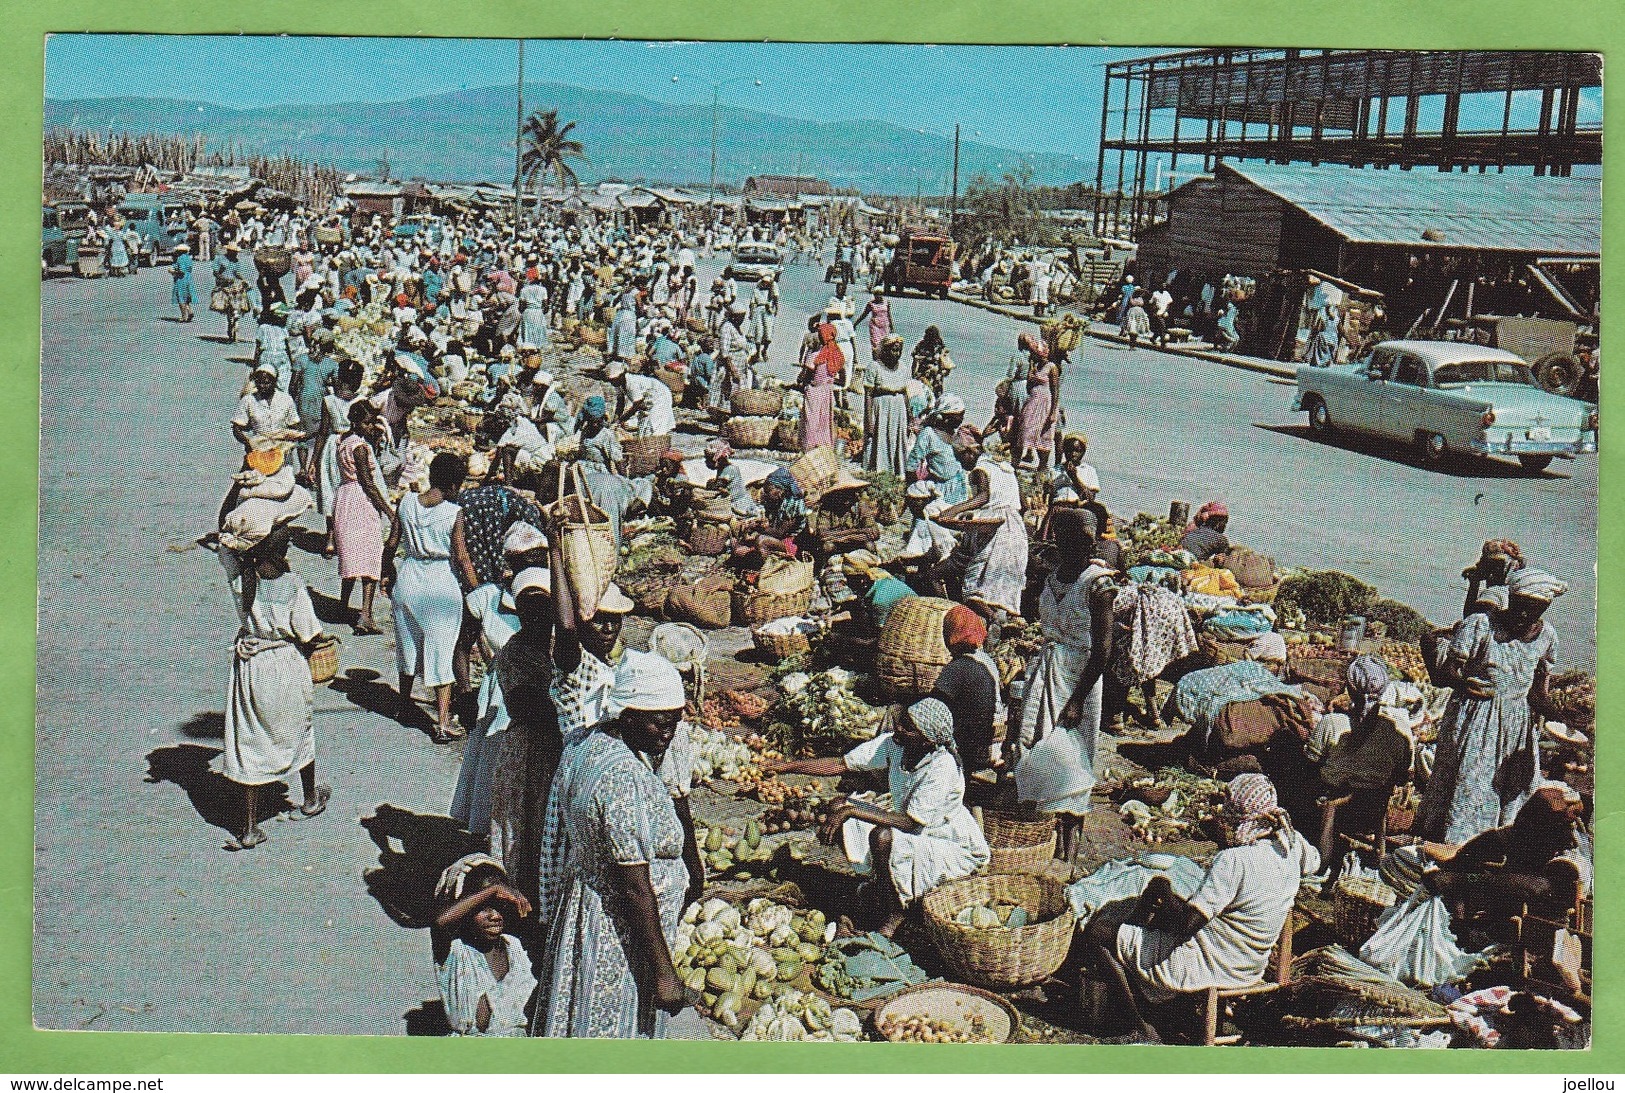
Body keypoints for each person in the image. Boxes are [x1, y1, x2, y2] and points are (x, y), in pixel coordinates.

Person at [1080, 773, 1319, 1043]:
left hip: (1209, 964)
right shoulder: (1293, 846)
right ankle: (1159, 1002)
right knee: (1156, 911)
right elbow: (1315, 862)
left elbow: (1186, 926)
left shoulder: (1235, 861)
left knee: (1099, 929)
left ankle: (1142, 1024)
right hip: (1250, 964)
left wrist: (1165, 893)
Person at [532, 655, 695, 1038]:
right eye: (660, 722)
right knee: (612, 1025)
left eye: (674, 722)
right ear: (629, 714)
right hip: (618, 929)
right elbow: (635, 887)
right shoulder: (622, 776)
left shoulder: (588, 743)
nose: (668, 733)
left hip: (588, 906)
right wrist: (663, 972)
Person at [767, 697, 989, 938]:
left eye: (908, 728)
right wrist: (786, 767)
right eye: (902, 721)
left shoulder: (942, 767)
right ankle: (881, 887)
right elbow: (842, 764)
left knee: (881, 836)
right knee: (837, 805)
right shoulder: (896, 745)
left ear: (927, 740)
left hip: (947, 843)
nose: (899, 729)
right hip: (909, 831)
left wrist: (853, 810)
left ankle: (896, 913)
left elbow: (910, 822)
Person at [1415, 568, 1565, 845]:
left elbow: (1537, 694)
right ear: (1510, 598)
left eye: (1533, 610)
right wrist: (1464, 685)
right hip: (1476, 718)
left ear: (1545, 607)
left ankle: (1491, 849)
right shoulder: (1481, 624)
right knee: (1469, 786)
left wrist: (1565, 720)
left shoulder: (1547, 637)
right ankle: (1451, 848)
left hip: (1516, 725)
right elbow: (1445, 672)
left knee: (1511, 790)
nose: (1523, 615)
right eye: (1519, 606)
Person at [217, 514, 332, 852]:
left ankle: (250, 828)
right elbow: (309, 632)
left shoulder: (241, 577)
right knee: (301, 730)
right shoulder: (292, 585)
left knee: (249, 742)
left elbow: (224, 539)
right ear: (283, 552)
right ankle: (309, 798)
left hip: (252, 665)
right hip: (285, 664)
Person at [1010, 509, 1113, 859]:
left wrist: (1078, 699)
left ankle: (1068, 846)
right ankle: (1043, 836)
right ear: (1060, 541)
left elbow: (1103, 650)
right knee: (1038, 745)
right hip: (1047, 669)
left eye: (1087, 541)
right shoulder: (1053, 577)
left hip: (1078, 677)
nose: (1082, 548)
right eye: (1072, 541)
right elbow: (1036, 617)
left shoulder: (1099, 584)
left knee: (1074, 758)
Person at [384, 453, 479, 743]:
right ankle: (442, 722)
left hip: (409, 578)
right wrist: (477, 589)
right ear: (452, 485)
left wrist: (386, 573)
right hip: (440, 585)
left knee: (408, 647)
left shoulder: (406, 502)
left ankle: (403, 706)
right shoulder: (453, 512)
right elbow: (461, 557)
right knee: (441, 652)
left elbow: (390, 543)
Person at [484, 569, 563, 907]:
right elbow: (529, 707)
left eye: (544, 606)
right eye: (528, 608)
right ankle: (524, 901)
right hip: (530, 748)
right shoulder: (514, 654)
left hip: (553, 743)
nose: (537, 615)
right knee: (526, 827)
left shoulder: (557, 646)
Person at [434, 858, 537, 1037]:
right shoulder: (455, 951)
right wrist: (493, 891)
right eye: (483, 907)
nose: (495, 916)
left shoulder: (515, 947)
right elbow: (440, 922)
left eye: (499, 907)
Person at [934, 441, 1029, 622]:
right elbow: (1023, 506)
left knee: (973, 589)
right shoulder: (1006, 469)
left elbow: (983, 496)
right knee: (1000, 589)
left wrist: (954, 510)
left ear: (969, 452)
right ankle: (999, 622)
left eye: (960, 457)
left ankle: (993, 620)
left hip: (996, 530)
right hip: (1016, 529)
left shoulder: (981, 468)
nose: (961, 464)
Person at [331, 400, 394, 635]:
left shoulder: (342, 442)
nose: (370, 427)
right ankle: (365, 614)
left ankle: (343, 604)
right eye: (367, 423)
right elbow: (368, 483)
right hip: (360, 502)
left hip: (345, 497)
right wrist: (388, 510)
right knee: (369, 558)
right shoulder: (360, 447)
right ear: (356, 422)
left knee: (350, 556)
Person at [931, 605, 1003, 779]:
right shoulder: (985, 660)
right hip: (993, 741)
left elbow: (933, 706)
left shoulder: (959, 667)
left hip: (972, 748)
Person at [804, 473, 879, 569]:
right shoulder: (827, 508)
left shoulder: (861, 505)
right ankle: (825, 569)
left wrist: (844, 534)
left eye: (849, 492)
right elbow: (823, 535)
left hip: (857, 544)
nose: (847, 497)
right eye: (842, 493)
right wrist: (856, 533)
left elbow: (874, 533)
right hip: (837, 546)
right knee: (827, 546)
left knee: (869, 545)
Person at [863, 334, 911, 478]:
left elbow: (905, 392)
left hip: (898, 409)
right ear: (885, 350)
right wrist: (869, 421)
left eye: (899, 351)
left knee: (896, 441)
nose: (896, 354)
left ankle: (896, 474)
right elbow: (868, 395)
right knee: (880, 441)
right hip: (881, 409)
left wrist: (910, 415)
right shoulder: (874, 367)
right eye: (893, 350)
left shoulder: (903, 367)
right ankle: (878, 473)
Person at [909, 395, 970, 506]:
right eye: (959, 415)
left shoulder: (955, 434)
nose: (962, 419)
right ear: (946, 417)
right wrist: (919, 489)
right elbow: (911, 465)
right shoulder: (928, 434)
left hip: (958, 488)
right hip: (939, 490)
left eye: (963, 415)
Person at [232, 363, 302, 454]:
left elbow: (294, 425)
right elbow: (237, 427)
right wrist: (248, 443)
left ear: (274, 382)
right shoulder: (248, 400)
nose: (262, 386)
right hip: (257, 450)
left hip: (281, 451)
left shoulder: (286, 400)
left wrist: (292, 437)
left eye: (266, 383)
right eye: (259, 382)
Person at [1014, 333, 1059, 471]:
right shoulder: (1035, 366)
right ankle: (1018, 458)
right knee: (1025, 428)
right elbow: (1029, 380)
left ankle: (1042, 466)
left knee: (1044, 434)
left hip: (1045, 403)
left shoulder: (1052, 367)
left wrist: (1052, 412)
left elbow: (1055, 391)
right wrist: (1033, 364)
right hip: (1033, 402)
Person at [798, 321, 842, 453]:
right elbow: (842, 373)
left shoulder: (815, 355)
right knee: (824, 421)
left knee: (811, 419)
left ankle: (809, 447)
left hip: (815, 391)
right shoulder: (834, 353)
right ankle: (823, 448)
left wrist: (801, 380)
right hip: (827, 392)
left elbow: (807, 374)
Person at [575, 395, 624, 475]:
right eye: (592, 421)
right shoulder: (585, 431)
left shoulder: (606, 435)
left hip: (600, 474)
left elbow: (618, 460)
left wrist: (624, 478)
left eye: (598, 422)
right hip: (583, 468)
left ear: (602, 418)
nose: (595, 425)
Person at [911, 326, 954, 397]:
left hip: (936, 383)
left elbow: (947, 370)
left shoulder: (941, 348)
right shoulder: (921, 346)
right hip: (922, 381)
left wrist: (936, 370)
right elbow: (915, 364)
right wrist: (916, 377)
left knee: (935, 402)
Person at [1304, 300, 1341, 368]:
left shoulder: (1322, 317)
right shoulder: (1336, 319)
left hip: (1323, 338)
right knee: (1328, 355)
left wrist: (1313, 333)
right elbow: (1341, 330)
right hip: (1333, 339)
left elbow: (1318, 328)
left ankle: (1316, 366)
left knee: (1318, 356)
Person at [171, 244, 196, 322]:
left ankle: (183, 316)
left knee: (181, 297)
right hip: (188, 278)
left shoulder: (180, 259)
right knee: (187, 297)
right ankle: (189, 311)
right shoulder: (189, 258)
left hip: (181, 279)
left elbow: (181, 271)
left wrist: (173, 272)